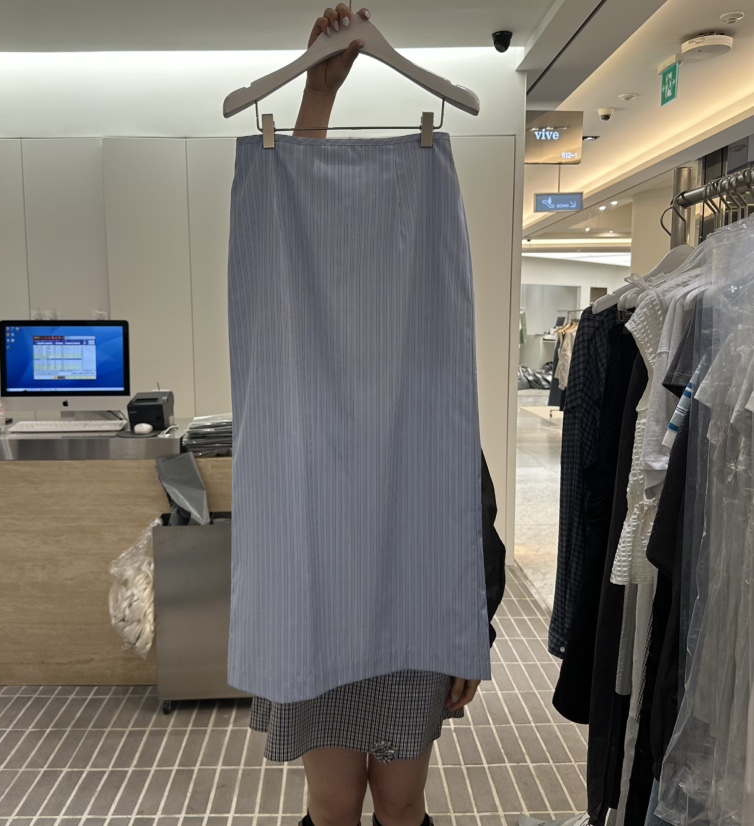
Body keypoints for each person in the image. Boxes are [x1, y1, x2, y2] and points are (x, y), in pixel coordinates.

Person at [235, 6, 505, 826]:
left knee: (400, 800)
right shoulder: (292, 371)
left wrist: (470, 630)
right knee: (332, 804)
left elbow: (469, 505)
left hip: (414, 605)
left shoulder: (430, 377)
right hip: (314, 600)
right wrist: (317, 98)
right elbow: (292, 221)